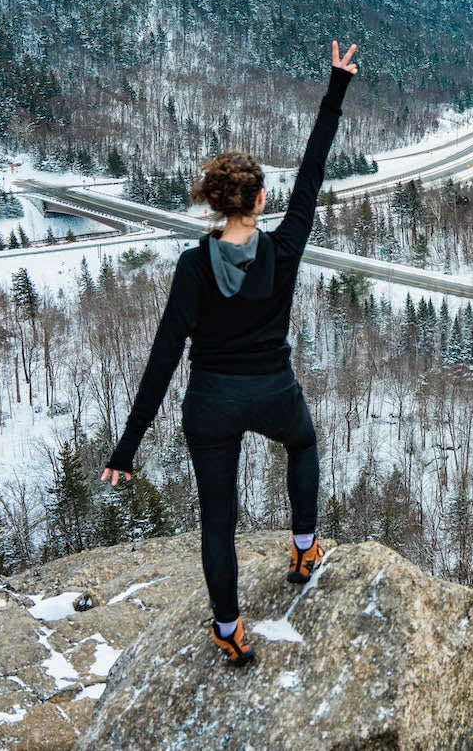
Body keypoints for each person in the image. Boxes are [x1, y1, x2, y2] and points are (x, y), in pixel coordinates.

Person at [100, 41, 358, 667]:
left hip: (210, 401)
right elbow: (314, 171)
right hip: (272, 389)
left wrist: (126, 449)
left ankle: (228, 628)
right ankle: (303, 550)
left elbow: (164, 357)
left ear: (216, 204)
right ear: (260, 201)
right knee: (302, 443)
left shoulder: (192, 267)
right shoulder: (286, 246)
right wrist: (336, 87)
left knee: (218, 520)